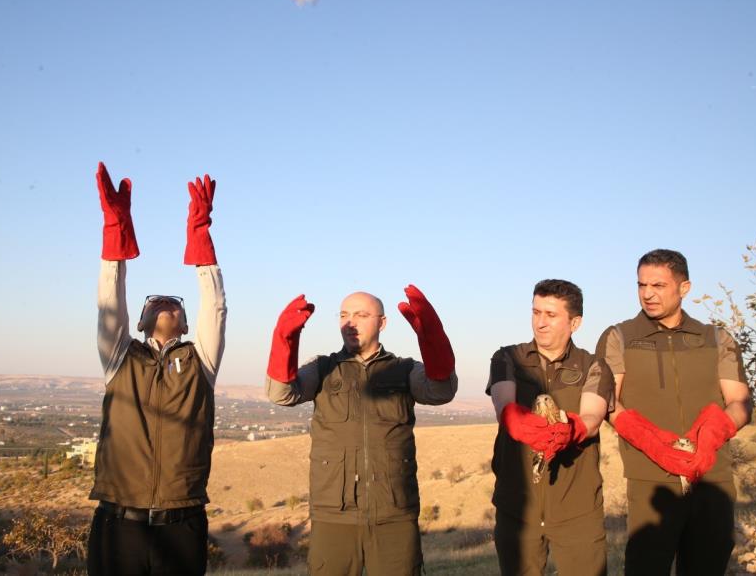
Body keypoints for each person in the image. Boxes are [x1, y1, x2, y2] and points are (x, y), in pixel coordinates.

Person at [87, 163, 226, 576]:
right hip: (117, 523)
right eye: (154, 303)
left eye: (174, 303)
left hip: (181, 524)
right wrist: (115, 232)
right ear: (141, 319)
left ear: (185, 324)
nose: (164, 303)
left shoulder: (201, 361)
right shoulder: (119, 358)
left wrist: (201, 235)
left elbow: (215, 307)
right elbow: (109, 304)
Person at [265, 285, 458, 576]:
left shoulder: (404, 369)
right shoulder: (323, 368)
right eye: (343, 315)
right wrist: (285, 340)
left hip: (395, 512)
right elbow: (282, 394)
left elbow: (441, 390)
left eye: (361, 314)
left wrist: (431, 336)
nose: (350, 322)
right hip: (334, 513)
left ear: (382, 322)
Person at [597, 249, 752, 575]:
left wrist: (714, 434)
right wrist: (652, 442)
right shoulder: (620, 337)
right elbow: (609, 403)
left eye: (658, 285)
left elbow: (739, 400)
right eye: (641, 285)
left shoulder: (716, 338)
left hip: (713, 478)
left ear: (684, 288)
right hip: (652, 482)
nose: (648, 294)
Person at [486, 279, 613, 576]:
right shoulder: (507, 357)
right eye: (536, 312)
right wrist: (520, 423)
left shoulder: (593, 366)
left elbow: (592, 418)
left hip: (578, 508)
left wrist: (571, 430)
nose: (540, 323)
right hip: (517, 505)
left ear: (575, 322)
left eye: (551, 315)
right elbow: (504, 405)